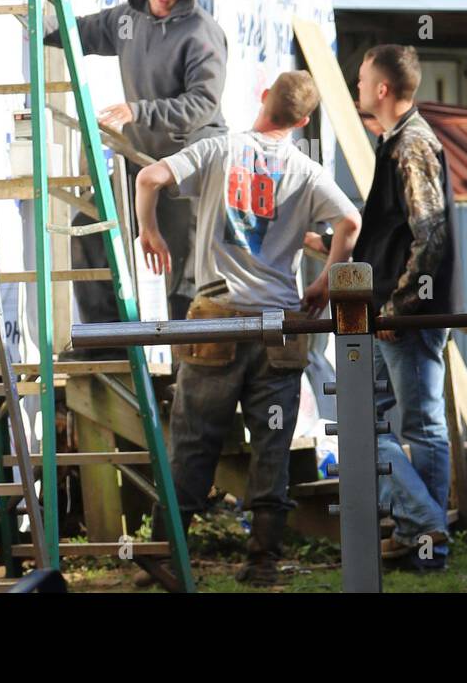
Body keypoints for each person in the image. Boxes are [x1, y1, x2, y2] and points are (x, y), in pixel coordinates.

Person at [135, 71, 361, 585]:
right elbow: (350, 222)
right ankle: (262, 562)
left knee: (193, 442)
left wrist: (149, 230)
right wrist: (326, 281)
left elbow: (148, 178)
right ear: (303, 121)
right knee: (272, 445)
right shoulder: (306, 170)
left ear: (263, 99)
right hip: (278, 328)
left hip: (215, 319)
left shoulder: (218, 149)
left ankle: (162, 555)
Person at [44, 0, 228, 322]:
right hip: (139, 162)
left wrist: (137, 111)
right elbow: (77, 32)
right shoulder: (126, 18)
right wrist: (34, 16)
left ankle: (189, 370)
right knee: (89, 231)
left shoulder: (201, 33)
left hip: (188, 165)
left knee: (184, 275)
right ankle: (106, 349)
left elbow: (202, 105)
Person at [353, 44, 461, 572]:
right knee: (360, 420)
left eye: (360, 80)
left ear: (382, 89)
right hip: (383, 311)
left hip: (406, 315)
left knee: (421, 426)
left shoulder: (412, 144)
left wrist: (400, 306)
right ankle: (422, 527)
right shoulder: (395, 141)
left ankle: (428, 539)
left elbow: (431, 233)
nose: (355, 89)